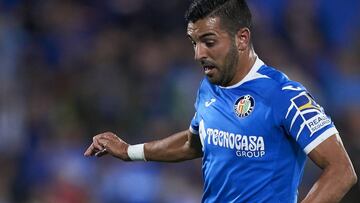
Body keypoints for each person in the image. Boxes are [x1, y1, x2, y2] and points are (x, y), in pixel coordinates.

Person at [84, 0, 357, 202]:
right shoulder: (209, 87)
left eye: (209, 42)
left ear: (242, 38)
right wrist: (129, 151)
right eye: (194, 43)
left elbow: (342, 170)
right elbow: (196, 141)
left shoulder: (285, 94)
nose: (198, 54)